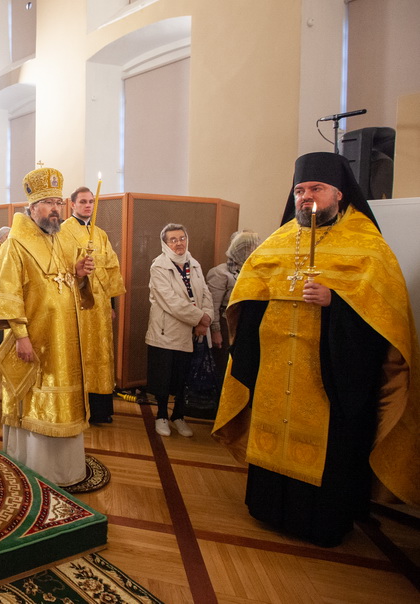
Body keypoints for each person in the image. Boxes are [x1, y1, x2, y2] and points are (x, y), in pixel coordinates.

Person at [213, 152, 420, 547]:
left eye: (316, 190)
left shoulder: (368, 246)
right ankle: (268, 509)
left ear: (339, 194)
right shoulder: (278, 241)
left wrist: (335, 303)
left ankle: (322, 523)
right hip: (276, 373)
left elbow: (385, 327)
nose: (307, 198)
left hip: (328, 376)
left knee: (331, 453)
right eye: (300, 190)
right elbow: (248, 301)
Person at [0, 167, 95, 487]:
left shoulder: (60, 238)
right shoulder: (16, 244)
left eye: (57, 202)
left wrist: (79, 272)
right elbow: (8, 294)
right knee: (34, 403)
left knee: (65, 403)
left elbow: (64, 282)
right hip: (34, 338)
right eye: (47, 203)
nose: (55, 209)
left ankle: (65, 469)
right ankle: (34, 468)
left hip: (64, 340)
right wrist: (21, 336)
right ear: (32, 207)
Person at [62, 186, 125, 423]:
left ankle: (99, 409)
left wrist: (111, 305)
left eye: (91, 202)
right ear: (73, 204)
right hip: (77, 304)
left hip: (100, 307)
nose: (88, 205)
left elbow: (111, 268)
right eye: (83, 202)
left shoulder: (100, 234)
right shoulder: (63, 232)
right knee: (78, 352)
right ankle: (78, 407)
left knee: (99, 353)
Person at [145, 223, 212, 438]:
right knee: (165, 377)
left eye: (181, 238)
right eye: (173, 239)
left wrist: (208, 318)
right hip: (167, 332)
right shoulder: (159, 266)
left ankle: (179, 415)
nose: (178, 243)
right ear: (165, 243)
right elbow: (171, 302)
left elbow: (206, 294)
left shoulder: (194, 264)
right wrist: (200, 318)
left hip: (193, 331)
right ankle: (162, 415)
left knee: (184, 376)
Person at [205, 230, 261, 386]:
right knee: (224, 366)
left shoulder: (254, 271)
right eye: (250, 248)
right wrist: (215, 331)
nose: (254, 251)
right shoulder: (220, 273)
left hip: (247, 325)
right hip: (226, 325)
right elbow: (213, 305)